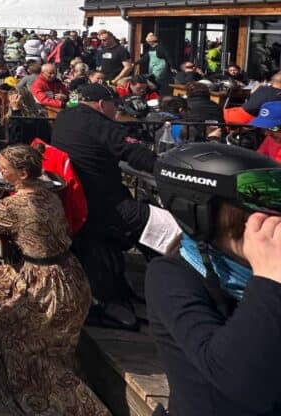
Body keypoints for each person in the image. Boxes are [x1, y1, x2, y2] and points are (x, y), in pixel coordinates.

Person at [0, 145, 108, 416]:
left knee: (15, 344)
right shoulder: (50, 194)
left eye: (4, 169)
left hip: (45, 287)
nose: (0, 171)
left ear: (22, 173)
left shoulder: (13, 206)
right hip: (72, 277)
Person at [146, 143, 281, 416]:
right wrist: (269, 277)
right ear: (204, 218)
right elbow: (238, 379)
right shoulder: (171, 276)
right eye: (257, 218)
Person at [51, 83, 156, 329]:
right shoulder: (99, 124)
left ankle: (120, 292)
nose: (117, 111)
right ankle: (168, 292)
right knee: (167, 231)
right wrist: (168, 170)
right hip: (106, 206)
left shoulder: (65, 117)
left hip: (80, 202)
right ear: (102, 105)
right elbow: (134, 152)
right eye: (115, 106)